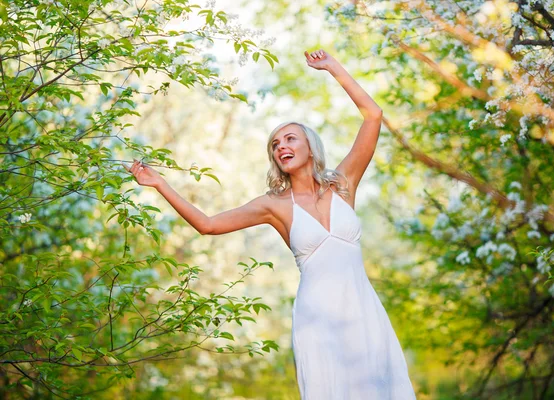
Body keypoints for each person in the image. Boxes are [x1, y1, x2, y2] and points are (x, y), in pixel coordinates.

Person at [124, 49, 417, 399]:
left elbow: (373, 116)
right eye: (275, 145)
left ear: (310, 145)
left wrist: (332, 67)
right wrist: (159, 184)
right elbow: (208, 224)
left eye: (290, 138)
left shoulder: (343, 185)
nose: (281, 147)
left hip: (361, 309)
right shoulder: (273, 206)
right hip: (317, 318)